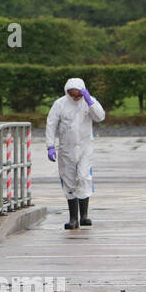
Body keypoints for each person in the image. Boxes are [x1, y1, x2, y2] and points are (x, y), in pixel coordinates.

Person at [45, 77, 105, 230]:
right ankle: (73, 218)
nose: (76, 97)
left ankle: (84, 215)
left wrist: (90, 101)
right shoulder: (60, 104)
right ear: (67, 92)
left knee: (84, 177)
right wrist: (50, 146)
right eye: (73, 94)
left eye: (78, 94)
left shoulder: (89, 101)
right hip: (66, 148)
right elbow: (51, 124)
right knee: (69, 180)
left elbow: (100, 117)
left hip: (85, 147)